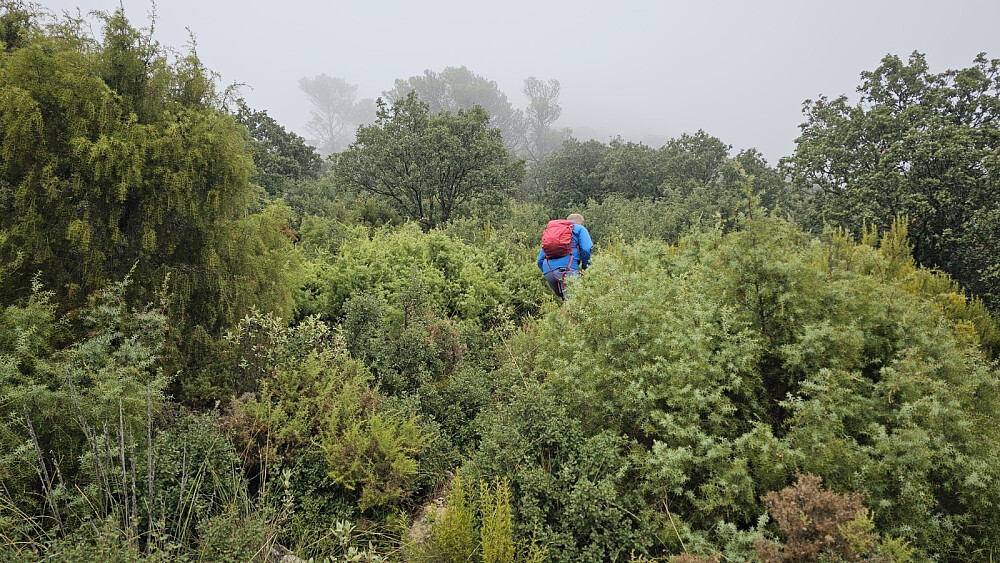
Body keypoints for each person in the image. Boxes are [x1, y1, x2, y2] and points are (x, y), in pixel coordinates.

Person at [537, 213, 593, 300]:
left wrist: (548, 271)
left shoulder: (554, 233)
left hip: (549, 272)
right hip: (568, 270)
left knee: (566, 300)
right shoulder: (580, 229)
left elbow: (540, 260)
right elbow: (586, 249)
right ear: (581, 223)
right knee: (574, 302)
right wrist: (585, 268)